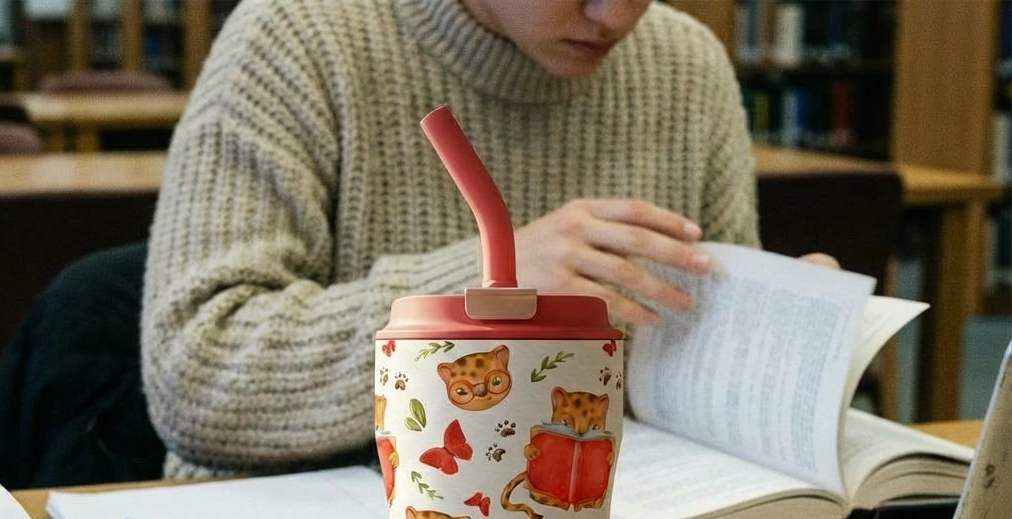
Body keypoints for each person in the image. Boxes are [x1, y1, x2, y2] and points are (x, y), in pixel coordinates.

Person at [141, 0, 797, 480]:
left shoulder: (688, 66)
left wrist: (777, 335)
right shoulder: (295, 35)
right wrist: (482, 291)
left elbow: (693, 359)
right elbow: (194, 372)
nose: (615, 16)